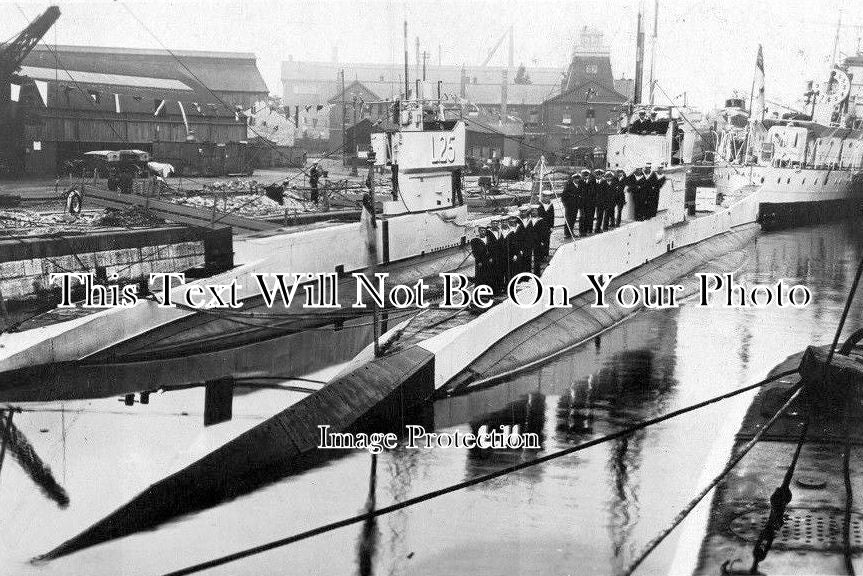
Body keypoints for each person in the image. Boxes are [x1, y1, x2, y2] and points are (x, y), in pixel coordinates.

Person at [560, 173, 581, 239]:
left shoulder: (579, 186)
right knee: (568, 220)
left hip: (576, 206)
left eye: (578, 178)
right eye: (575, 178)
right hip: (569, 206)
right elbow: (563, 196)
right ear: (573, 179)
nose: (577, 180)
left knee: (573, 219)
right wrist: (565, 204)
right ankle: (567, 234)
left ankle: (571, 232)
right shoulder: (569, 186)